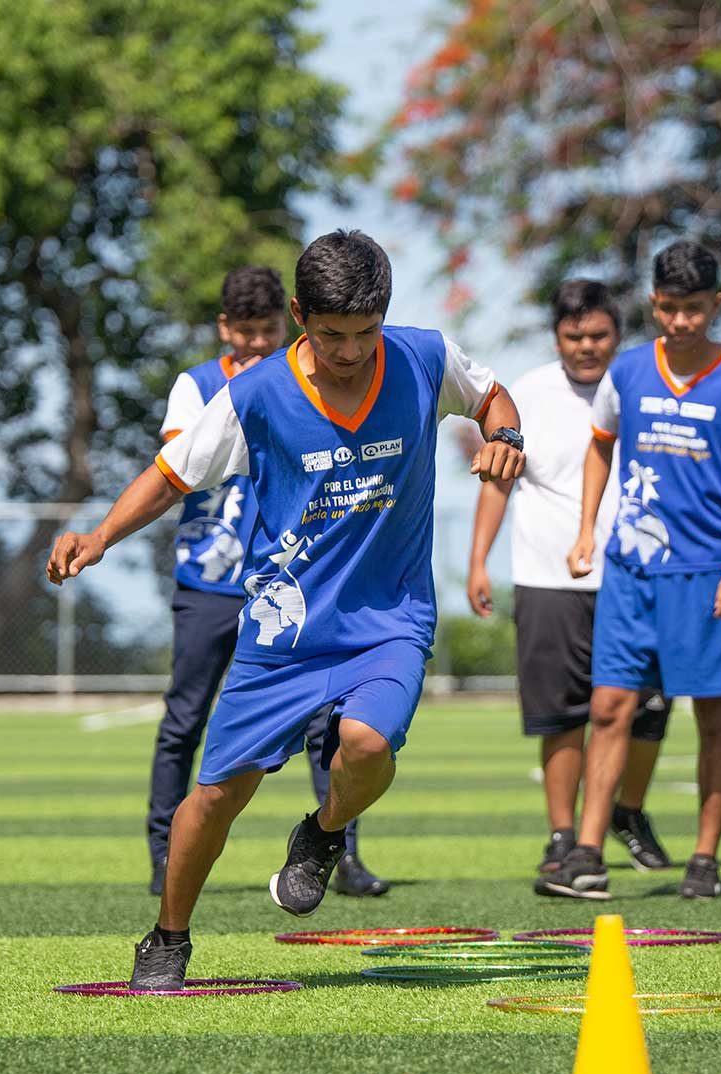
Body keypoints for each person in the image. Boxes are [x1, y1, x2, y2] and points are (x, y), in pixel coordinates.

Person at [47, 230, 525, 989]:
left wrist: (505, 436)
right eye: (330, 334)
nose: (348, 350)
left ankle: (323, 834)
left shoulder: (426, 358)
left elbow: (491, 393)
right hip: (285, 629)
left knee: (367, 744)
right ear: (299, 314)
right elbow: (173, 476)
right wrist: (100, 534)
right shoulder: (256, 393)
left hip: (390, 617)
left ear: (386, 314)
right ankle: (168, 938)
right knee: (213, 800)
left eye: (364, 333)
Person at [545, 240, 721, 901]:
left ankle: (705, 859)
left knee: (711, 713)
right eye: (671, 309)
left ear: (716, 305)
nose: (682, 322)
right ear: (654, 305)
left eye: (695, 310)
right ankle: (588, 856)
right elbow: (600, 449)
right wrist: (587, 530)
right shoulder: (627, 373)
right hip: (631, 572)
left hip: (708, 575)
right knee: (610, 706)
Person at [145, 266, 386, 900]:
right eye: (245, 333)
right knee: (186, 719)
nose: (257, 345)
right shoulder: (200, 388)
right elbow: (189, 465)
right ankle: (163, 851)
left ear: (289, 321)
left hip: (291, 585)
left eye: (268, 332)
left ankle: (343, 855)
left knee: (326, 728)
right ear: (225, 329)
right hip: (211, 580)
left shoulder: (310, 379)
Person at [465, 280, 675, 889]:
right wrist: (479, 560)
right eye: (574, 335)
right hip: (548, 575)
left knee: (651, 710)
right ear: (557, 336)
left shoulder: (643, 387)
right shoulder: (525, 394)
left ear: (618, 333)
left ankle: (624, 813)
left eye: (599, 335)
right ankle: (564, 834)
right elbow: (499, 481)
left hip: (638, 574)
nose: (587, 346)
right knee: (561, 715)